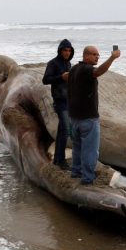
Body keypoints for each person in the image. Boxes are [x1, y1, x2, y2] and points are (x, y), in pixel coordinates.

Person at [67, 45, 121, 184]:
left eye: (98, 55)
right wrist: (112, 57)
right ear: (85, 56)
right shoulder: (86, 69)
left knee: (77, 148)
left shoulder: (73, 69)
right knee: (90, 151)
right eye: (94, 55)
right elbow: (98, 72)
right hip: (88, 118)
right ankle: (87, 179)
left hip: (75, 118)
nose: (97, 57)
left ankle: (75, 173)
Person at [42, 39, 74, 171]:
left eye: (69, 51)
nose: (67, 53)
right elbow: (45, 80)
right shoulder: (53, 63)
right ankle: (60, 159)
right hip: (59, 101)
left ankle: (57, 159)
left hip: (68, 101)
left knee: (62, 131)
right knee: (66, 130)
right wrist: (61, 77)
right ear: (60, 50)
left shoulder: (69, 64)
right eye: (65, 50)